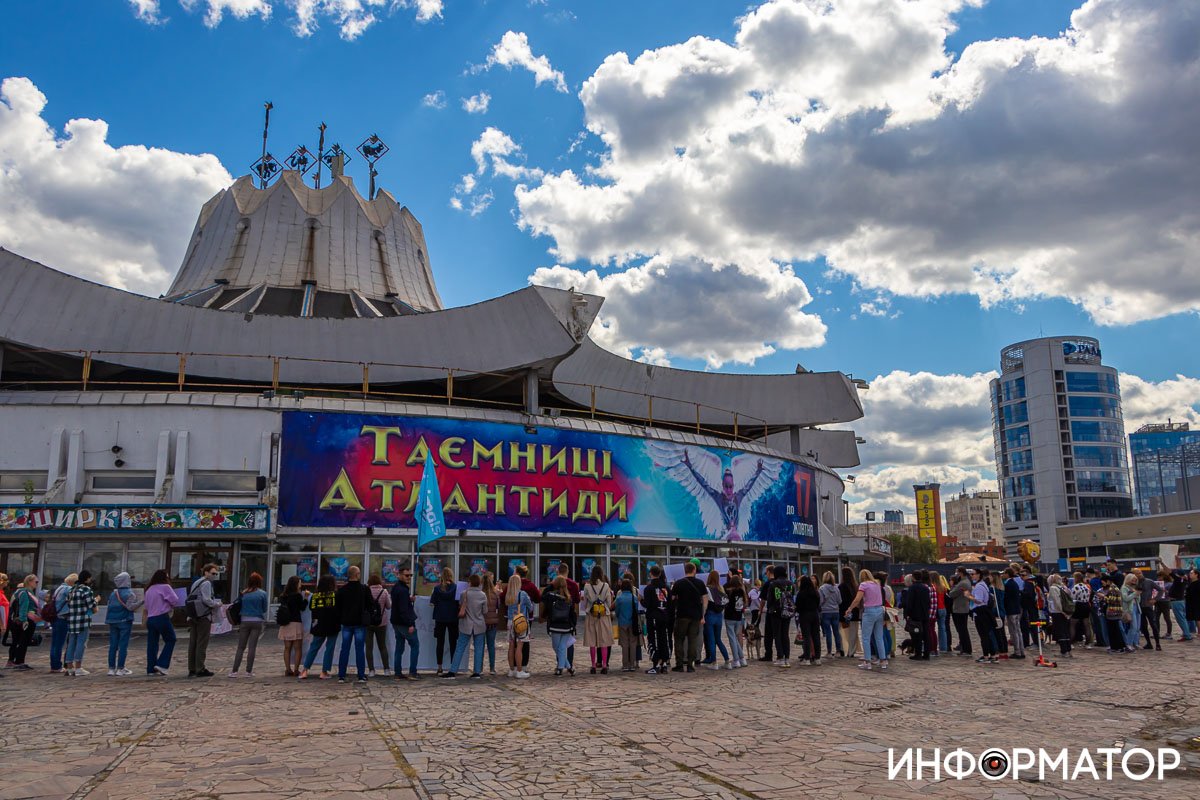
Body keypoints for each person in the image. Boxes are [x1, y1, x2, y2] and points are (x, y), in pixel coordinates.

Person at [446, 574, 487, 679]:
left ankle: (453, 670)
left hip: (466, 624)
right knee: (479, 648)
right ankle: (477, 672)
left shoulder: (464, 593)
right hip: (479, 624)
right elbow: (485, 611)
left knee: (460, 648)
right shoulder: (483, 595)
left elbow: (460, 605)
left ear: (470, 582)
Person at [844, 569, 887, 671]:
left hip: (869, 611)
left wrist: (850, 609)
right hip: (880, 610)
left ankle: (867, 662)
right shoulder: (877, 583)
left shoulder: (863, 585)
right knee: (879, 637)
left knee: (866, 638)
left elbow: (857, 599)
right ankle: (883, 660)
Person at [335, 565, 371, 683]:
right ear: (357, 575)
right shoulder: (364, 589)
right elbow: (370, 604)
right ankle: (361, 675)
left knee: (344, 649)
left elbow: (337, 607)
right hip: (359, 622)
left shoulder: (342, 590)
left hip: (346, 623)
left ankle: (341, 675)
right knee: (359, 649)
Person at [186, 563, 223, 678]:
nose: (214, 576)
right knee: (202, 642)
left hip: (193, 615)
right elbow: (207, 600)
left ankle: (192, 668)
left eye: (216, 574)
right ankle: (200, 668)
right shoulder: (206, 583)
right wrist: (217, 604)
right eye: (213, 573)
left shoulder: (196, 582)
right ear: (206, 572)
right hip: (203, 616)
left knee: (193, 642)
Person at [230, 572, 269, 677]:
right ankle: (248, 671)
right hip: (257, 620)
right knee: (252, 647)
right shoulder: (262, 594)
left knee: (241, 647)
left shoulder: (244, 593)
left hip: (244, 620)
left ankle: (234, 671)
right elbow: (265, 609)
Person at [670, 562, 707, 672]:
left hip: (682, 615)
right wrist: (702, 615)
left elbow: (671, 599)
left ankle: (680, 664)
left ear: (684, 571)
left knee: (679, 639)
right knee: (692, 640)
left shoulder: (678, 583)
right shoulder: (700, 583)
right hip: (695, 616)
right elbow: (705, 601)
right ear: (694, 570)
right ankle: (690, 665)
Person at [300, 575, 339, 679]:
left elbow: (312, 608)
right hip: (332, 625)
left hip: (318, 624)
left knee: (314, 647)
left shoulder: (315, 596)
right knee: (329, 648)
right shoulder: (334, 595)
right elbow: (338, 610)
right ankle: (324, 671)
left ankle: (304, 670)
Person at [144, 569, 181, 675]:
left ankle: (150, 668)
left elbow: (146, 606)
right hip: (161, 616)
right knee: (171, 639)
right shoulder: (165, 587)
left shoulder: (149, 589)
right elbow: (175, 600)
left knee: (152, 644)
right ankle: (162, 664)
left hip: (150, 618)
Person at [106, 572, 142, 676]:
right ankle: (120, 668)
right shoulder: (130, 593)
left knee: (113, 645)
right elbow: (130, 607)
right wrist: (140, 602)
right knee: (123, 645)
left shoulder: (113, 593)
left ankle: (111, 668)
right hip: (125, 620)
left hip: (112, 621)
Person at [64, 570, 98, 676]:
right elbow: (91, 604)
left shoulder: (72, 590)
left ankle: (69, 667)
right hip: (83, 620)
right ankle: (78, 667)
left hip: (72, 620)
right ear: (87, 578)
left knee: (71, 644)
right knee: (81, 643)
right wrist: (96, 600)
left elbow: (68, 603)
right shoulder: (86, 589)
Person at [581, 565, 613, 674]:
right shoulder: (606, 585)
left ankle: (593, 665)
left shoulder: (587, 586)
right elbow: (609, 603)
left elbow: (584, 603)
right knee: (604, 640)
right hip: (603, 615)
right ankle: (604, 665)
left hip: (591, 615)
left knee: (592, 641)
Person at [542, 575, 576, 675]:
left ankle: (561, 668)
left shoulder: (551, 596)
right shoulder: (569, 598)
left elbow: (543, 600)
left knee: (556, 646)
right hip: (566, 625)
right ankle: (569, 667)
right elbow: (572, 612)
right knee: (561, 647)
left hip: (555, 625)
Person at [390, 565, 419, 680]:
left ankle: (398, 672)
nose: (409, 577)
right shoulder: (402, 590)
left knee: (399, 647)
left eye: (410, 575)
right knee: (415, 645)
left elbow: (399, 605)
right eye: (407, 575)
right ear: (400, 575)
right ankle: (412, 672)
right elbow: (403, 610)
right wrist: (410, 624)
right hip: (404, 623)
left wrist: (409, 599)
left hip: (396, 622)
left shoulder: (397, 588)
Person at [276, 575, 309, 676]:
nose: (301, 584)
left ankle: (287, 669)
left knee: (287, 648)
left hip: (285, 623)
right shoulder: (297, 596)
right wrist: (306, 598)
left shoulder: (283, 596)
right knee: (297, 648)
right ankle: (296, 669)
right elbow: (302, 607)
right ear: (296, 584)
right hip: (295, 622)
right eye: (299, 583)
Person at [360, 574, 391, 677]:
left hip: (368, 623)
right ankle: (386, 669)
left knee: (369, 647)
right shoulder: (384, 592)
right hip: (381, 622)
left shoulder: (366, 591)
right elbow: (388, 606)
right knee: (382, 646)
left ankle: (371, 670)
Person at [642, 565, 672, 674]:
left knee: (653, 640)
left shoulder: (649, 588)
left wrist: (641, 600)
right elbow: (670, 604)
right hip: (664, 616)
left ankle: (655, 664)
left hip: (653, 617)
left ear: (651, 574)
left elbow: (647, 604)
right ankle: (664, 663)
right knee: (663, 639)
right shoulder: (666, 588)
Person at [7, 574, 40, 670]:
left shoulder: (18, 592)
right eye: (36, 582)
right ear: (29, 582)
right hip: (25, 620)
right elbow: (23, 608)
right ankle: (19, 661)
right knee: (23, 642)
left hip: (16, 620)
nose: (37, 584)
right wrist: (24, 621)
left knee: (17, 641)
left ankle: (13, 661)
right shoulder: (26, 593)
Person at [764, 565, 794, 667]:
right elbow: (792, 596)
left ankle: (780, 657)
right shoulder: (790, 583)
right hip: (787, 611)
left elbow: (770, 599)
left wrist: (770, 609)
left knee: (777, 635)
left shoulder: (773, 584)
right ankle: (787, 658)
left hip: (776, 612)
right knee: (785, 635)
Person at [431, 567, 459, 675]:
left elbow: (432, 603)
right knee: (453, 643)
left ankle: (439, 667)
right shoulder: (456, 588)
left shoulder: (437, 588)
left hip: (440, 618)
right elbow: (460, 602)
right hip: (453, 618)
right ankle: (453, 667)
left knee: (440, 643)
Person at [505, 573, 534, 679]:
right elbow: (530, 608)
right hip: (520, 621)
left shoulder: (508, 595)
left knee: (511, 646)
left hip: (510, 621)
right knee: (520, 646)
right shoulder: (523, 594)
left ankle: (511, 669)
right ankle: (519, 670)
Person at [48, 573, 77, 673]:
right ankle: (57, 666)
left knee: (55, 643)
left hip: (56, 617)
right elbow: (75, 601)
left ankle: (54, 664)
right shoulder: (68, 590)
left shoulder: (59, 588)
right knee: (59, 643)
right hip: (63, 618)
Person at [701, 570, 730, 670]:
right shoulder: (721, 588)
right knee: (718, 639)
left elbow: (705, 604)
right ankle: (727, 661)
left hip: (710, 615)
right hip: (719, 616)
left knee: (711, 640)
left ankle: (714, 662)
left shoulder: (707, 588)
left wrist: (702, 616)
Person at [969, 570, 999, 664]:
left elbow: (978, 601)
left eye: (973, 574)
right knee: (987, 635)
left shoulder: (978, 587)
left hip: (980, 612)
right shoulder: (983, 585)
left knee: (983, 635)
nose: (972, 576)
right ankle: (992, 655)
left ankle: (986, 655)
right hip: (985, 612)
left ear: (978, 575)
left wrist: (968, 596)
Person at [903, 569, 931, 660]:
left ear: (913, 578)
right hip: (925, 614)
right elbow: (928, 601)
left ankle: (918, 653)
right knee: (926, 635)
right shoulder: (925, 587)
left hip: (915, 615)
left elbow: (910, 602)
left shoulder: (912, 588)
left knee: (916, 635)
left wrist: (907, 613)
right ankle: (926, 654)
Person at [795, 575, 821, 666]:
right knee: (816, 636)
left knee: (806, 637)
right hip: (815, 614)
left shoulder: (801, 593)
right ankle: (817, 658)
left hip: (804, 615)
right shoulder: (815, 592)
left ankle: (807, 659)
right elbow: (818, 604)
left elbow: (797, 606)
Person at [614, 576, 639, 672]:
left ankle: (625, 664)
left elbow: (617, 611)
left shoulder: (619, 598)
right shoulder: (634, 597)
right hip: (633, 622)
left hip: (622, 622)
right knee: (633, 643)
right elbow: (637, 610)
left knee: (624, 644)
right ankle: (632, 664)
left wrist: (619, 616)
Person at [723, 572, 748, 668]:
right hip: (738, 616)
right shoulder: (742, 591)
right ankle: (742, 659)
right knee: (736, 638)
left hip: (729, 616)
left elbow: (724, 601)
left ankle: (736, 660)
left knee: (732, 638)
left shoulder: (729, 591)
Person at [947, 568, 973, 656]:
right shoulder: (966, 581)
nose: (956, 574)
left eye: (957, 572)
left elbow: (952, 594)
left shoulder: (963, 583)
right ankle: (965, 648)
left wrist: (952, 588)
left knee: (962, 630)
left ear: (960, 573)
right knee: (963, 630)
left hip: (959, 608)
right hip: (963, 607)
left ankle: (966, 649)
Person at [1045, 574, 1073, 658]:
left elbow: (1057, 601)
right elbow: (1070, 596)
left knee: (1060, 631)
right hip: (1065, 612)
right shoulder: (1063, 587)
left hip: (1058, 612)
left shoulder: (1053, 588)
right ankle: (1068, 650)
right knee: (1065, 631)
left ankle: (1064, 651)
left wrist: (1061, 611)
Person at [817, 571, 843, 658]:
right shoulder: (836, 588)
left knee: (828, 632)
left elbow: (820, 601)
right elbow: (840, 601)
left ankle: (829, 652)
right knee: (836, 631)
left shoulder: (822, 588)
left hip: (825, 612)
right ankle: (838, 651)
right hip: (835, 611)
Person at [837, 567, 860, 660]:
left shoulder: (841, 586)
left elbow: (840, 601)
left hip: (844, 612)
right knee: (853, 633)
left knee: (842, 632)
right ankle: (851, 651)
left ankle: (842, 649)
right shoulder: (855, 586)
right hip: (854, 612)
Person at [1002, 568, 1025, 659]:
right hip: (1016, 609)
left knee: (1014, 631)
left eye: (1004, 573)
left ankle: (1017, 651)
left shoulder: (1008, 584)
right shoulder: (1014, 583)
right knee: (1018, 631)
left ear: (1007, 574)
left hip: (1011, 610)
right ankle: (1021, 650)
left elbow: (1007, 598)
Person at [1137, 570, 1162, 651]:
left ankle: (1158, 643)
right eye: (1136, 574)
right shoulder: (1135, 583)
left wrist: (1155, 599)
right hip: (1139, 607)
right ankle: (1149, 643)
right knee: (1143, 626)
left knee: (1153, 625)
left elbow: (1160, 590)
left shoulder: (1149, 581)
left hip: (1148, 606)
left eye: (1139, 573)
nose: (1138, 575)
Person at [481, 572, 501, 675]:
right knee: (491, 646)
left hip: (482, 622)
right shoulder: (496, 594)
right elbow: (498, 607)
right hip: (493, 622)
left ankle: (479, 668)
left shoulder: (480, 593)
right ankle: (492, 668)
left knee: (480, 646)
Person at [1100, 575, 1125, 654]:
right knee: (1113, 630)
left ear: (1107, 581)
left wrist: (1103, 596)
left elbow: (1112, 600)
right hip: (1113, 612)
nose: (1102, 584)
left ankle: (1119, 647)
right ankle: (1115, 647)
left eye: (1103, 582)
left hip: (1113, 612)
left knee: (1115, 630)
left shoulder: (1113, 588)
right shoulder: (1113, 588)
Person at [1069, 570, 1094, 648]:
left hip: (1078, 605)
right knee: (1086, 625)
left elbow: (1072, 598)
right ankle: (1088, 643)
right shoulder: (1086, 586)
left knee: (1072, 624)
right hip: (1086, 605)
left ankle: (1071, 642)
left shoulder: (1076, 587)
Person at [1120, 573, 1140, 653]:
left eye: (1135, 580)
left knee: (1137, 627)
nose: (1134, 581)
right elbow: (1125, 598)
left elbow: (1138, 600)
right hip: (1129, 609)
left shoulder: (1134, 588)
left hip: (1137, 608)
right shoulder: (1124, 588)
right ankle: (1128, 644)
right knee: (1133, 627)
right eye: (1133, 579)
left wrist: (1137, 594)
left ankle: (1134, 642)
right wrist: (1135, 594)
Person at [932, 572, 951, 655]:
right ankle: (944, 647)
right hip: (943, 608)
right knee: (942, 628)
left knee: (932, 628)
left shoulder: (933, 587)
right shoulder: (943, 587)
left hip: (936, 608)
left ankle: (934, 646)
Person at [1185, 568, 1200, 638]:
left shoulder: (1197, 583)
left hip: (1196, 603)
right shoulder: (1191, 583)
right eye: (1190, 573)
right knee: (1196, 618)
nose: (1189, 574)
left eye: (1191, 573)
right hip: (1192, 604)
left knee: (1198, 618)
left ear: (1196, 575)